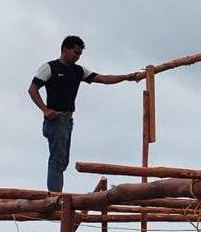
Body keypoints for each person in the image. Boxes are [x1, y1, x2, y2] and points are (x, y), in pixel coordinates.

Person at [27, 35, 141, 192]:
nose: (77, 56)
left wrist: (126, 77)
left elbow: (102, 78)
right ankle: (54, 195)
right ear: (65, 49)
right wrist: (45, 110)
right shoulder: (50, 67)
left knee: (63, 160)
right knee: (58, 159)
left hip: (67, 120)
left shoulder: (78, 70)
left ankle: (55, 193)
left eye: (80, 54)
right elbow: (32, 89)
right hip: (55, 118)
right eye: (75, 52)